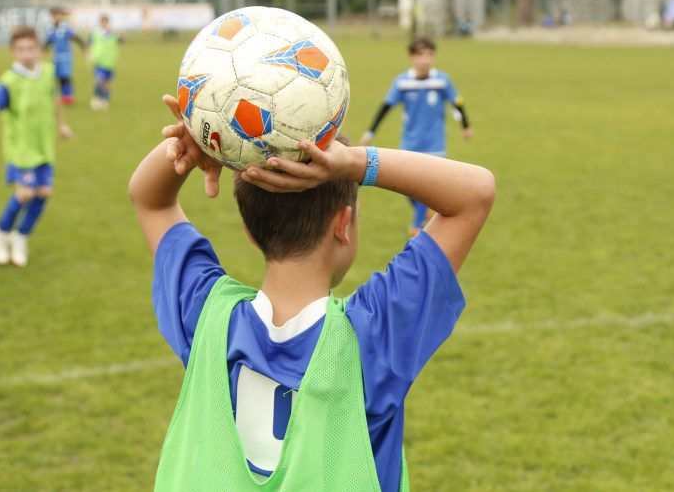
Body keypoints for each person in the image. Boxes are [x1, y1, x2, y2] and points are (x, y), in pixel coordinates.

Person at [130, 94, 494, 490]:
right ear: (344, 224)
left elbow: (150, 200)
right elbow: (475, 192)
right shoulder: (372, 337)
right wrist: (358, 163)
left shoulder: (206, 317)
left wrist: (199, 138)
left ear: (250, 232)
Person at [359, 36, 473, 235]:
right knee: (409, 189)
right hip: (410, 143)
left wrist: (465, 126)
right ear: (411, 57)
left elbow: (458, 102)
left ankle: (417, 224)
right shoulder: (402, 82)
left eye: (430, 54)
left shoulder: (442, 80)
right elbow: (385, 107)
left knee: (425, 186)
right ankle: (425, 210)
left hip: (435, 145)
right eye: (421, 55)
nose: (426, 60)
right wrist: (370, 132)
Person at [0, 26, 73, 267]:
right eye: (20, 49)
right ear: (12, 51)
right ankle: (0, 233)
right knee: (24, 193)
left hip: (44, 147)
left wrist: (62, 125)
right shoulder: (8, 82)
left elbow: (54, 99)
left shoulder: (48, 72)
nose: (26, 54)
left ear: (39, 49)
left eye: (31, 48)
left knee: (44, 193)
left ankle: (20, 236)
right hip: (21, 150)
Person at [43, 7, 85, 106]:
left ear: (61, 16)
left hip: (66, 56)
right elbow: (48, 41)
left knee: (65, 76)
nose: (56, 17)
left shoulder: (65, 27)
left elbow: (75, 38)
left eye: (57, 15)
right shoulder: (51, 29)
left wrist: (84, 47)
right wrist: (44, 50)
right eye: (54, 15)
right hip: (56, 56)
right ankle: (60, 97)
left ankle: (68, 97)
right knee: (56, 77)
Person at [87, 14, 122, 110]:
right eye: (103, 22)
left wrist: (123, 35)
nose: (104, 24)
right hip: (99, 61)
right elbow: (88, 43)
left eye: (106, 22)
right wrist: (89, 54)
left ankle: (105, 100)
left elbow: (121, 40)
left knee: (107, 82)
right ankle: (96, 98)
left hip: (110, 62)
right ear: (100, 22)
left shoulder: (113, 33)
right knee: (99, 81)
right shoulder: (95, 33)